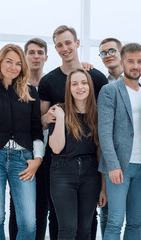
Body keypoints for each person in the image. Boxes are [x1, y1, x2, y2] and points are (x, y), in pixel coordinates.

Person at [38, 25, 108, 240]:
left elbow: (100, 140)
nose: (65, 48)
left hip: (90, 167)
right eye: (59, 44)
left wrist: (103, 184)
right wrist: (54, 117)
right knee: (62, 225)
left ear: (77, 43)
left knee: (86, 226)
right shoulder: (49, 81)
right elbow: (41, 123)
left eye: (68, 42)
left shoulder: (96, 76)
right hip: (61, 163)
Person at [0, 44, 44, 240]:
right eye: (9, 61)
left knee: (28, 223)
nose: (13, 67)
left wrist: (37, 159)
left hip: (24, 160)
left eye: (18, 63)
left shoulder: (31, 92)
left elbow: (37, 131)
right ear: (0, 62)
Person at [98, 43, 141, 240]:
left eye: (139, 61)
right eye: (130, 61)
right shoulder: (110, 90)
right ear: (122, 62)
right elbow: (104, 132)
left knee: (136, 221)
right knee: (115, 221)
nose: (135, 66)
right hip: (119, 166)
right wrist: (112, 165)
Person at [47, 68, 106, 239]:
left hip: (90, 174)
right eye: (74, 84)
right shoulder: (59, 109)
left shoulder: (97, 113)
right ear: (69, 88)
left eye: (84, 83)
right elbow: (56, 148)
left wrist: (103, 187)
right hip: (63, 172)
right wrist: (60, 117)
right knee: (67, 228)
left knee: (85, 229)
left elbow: (100, 152)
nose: (80, 87)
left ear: (90, 86)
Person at [8, 37, 50, 240]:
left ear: (46, 57)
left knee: (42, 206)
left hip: (48, 153)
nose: (36, 56)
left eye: (40, 52)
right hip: (20, 154)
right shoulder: (16, 86)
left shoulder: (52, 83)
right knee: (17, 206)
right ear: (25, 57)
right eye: (31, 52)